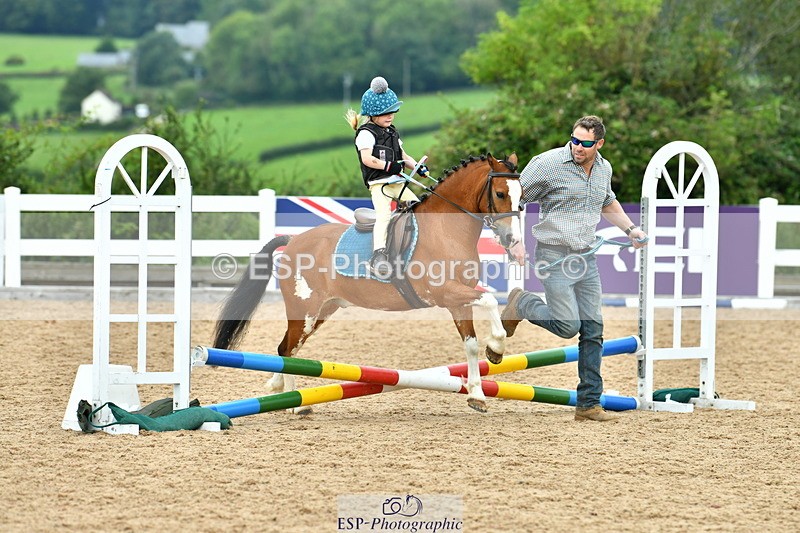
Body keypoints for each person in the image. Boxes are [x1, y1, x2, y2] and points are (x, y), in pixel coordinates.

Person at [503, 115, 648, 422]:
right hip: (553, 255)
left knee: (593, 330)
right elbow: (512, 201)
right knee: (568, 326)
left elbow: (607, 202)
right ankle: (522, 302)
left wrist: (631, 230)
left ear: (599, 144)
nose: (577, 147)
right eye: (574, 139)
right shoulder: (547, 164)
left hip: (586, 258)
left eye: (585, 143)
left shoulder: (604, 169)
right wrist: (513, 240)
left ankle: (589, 403)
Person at [346, 76, 428, 277]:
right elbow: (367, 159)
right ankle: (378, 255)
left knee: (420, 207)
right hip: (379, 184)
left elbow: (403, 156)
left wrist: (418, 167)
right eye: (385, 113)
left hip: (397, 182)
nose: (390, 116)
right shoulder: (366, 133)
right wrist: (387, 166)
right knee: (383, 216)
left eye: (392, 111)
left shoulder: (392, 132)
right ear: (373, 115)